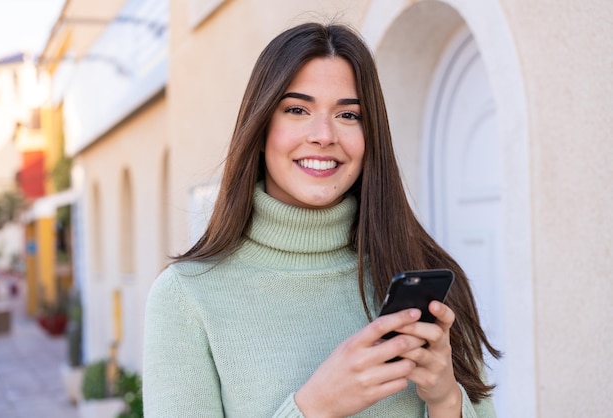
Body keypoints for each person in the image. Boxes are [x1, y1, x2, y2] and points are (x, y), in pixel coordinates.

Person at [143, 21, 500, 417]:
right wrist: (315, 407)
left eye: (348, 115)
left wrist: (446, 400)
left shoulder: (432, 278)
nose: (323, 134)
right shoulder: (187, 298)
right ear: (261, 128)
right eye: (297, 110)